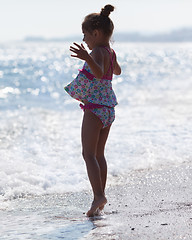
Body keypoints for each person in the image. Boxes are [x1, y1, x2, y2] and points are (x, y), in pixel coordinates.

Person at [64, 4, 121, 217]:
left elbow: (97, 73)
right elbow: (117, 70)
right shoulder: (109, 51)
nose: (84, 39)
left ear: (96, 33)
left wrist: (87, 58)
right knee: (99, 154)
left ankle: (98, 195)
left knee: (88, 154)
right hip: (108, 109)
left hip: (95, 109)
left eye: (85, 34)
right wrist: (110, 63)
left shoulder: (96, 51)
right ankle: (101, 195)